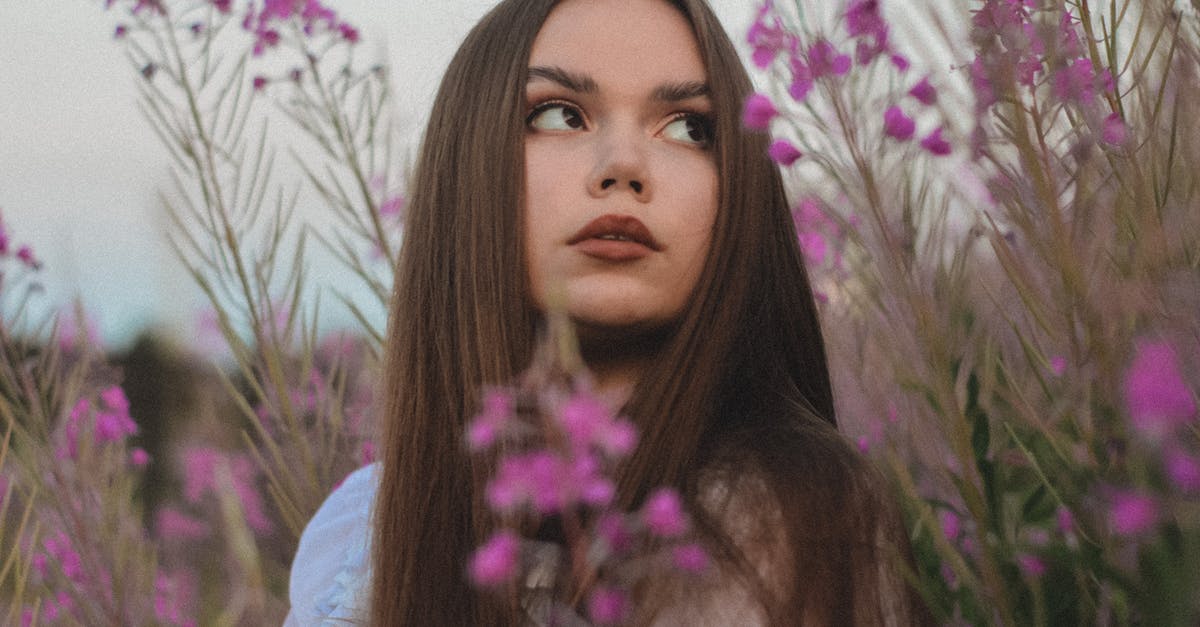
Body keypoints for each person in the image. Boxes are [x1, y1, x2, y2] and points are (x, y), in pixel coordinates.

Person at [287, 0, 929, 624]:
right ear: (467, 163)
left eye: (689, 127)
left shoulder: (787, 516)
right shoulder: (359, 537)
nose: (623, 166)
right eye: (560, 115)